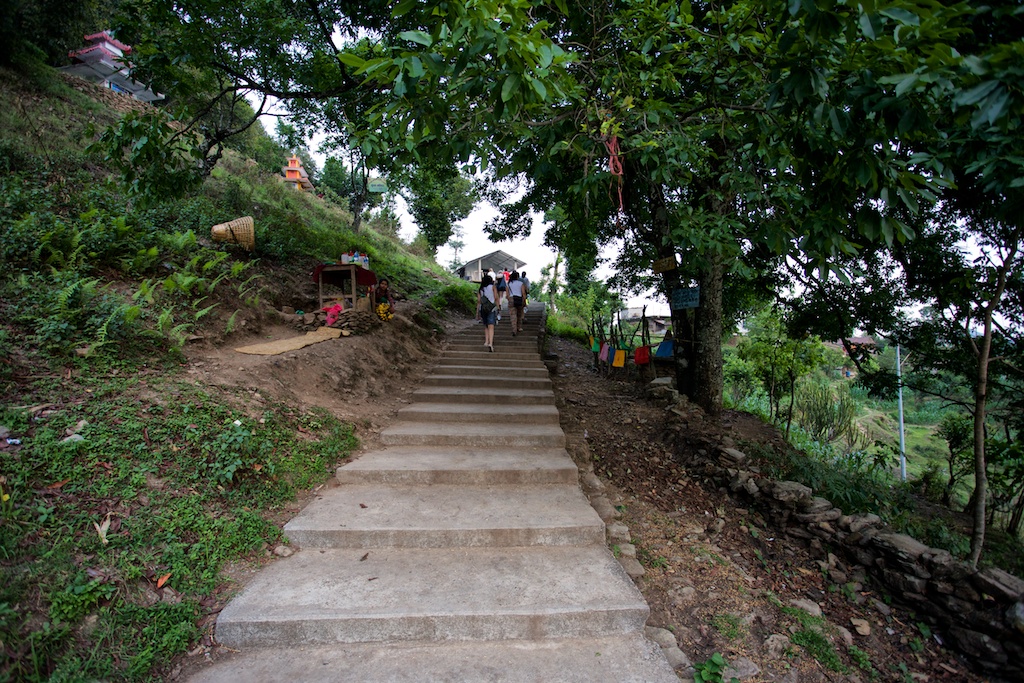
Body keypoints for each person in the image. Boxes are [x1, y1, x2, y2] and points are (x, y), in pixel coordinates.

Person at [477, 274, 498, 351]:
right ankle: (490, 343)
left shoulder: (481, 289)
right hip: (491, 308)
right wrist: (498, 307)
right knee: (491, 326)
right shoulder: (493, 287)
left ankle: (486, 341)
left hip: (483, 308)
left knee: (486, 326)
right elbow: (496, 298)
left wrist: (477, 313)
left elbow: (479, 301)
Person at [507, 271, 527, 336]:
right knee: (519, 314)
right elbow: (523, 293)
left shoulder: (508, 284)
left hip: (511, 299)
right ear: (517, 277)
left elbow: (507, 294)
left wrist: (509, 299)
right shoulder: (521, 283)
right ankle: (519, 327)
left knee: (513, 315)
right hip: (519, 299)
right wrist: (524, 301)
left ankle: (514, 329)